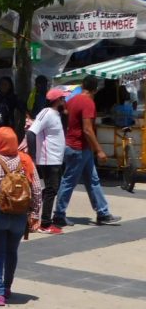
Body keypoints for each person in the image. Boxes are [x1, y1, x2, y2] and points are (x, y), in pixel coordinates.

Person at [0, 128, 43, 307]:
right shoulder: (25, 160)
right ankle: (7, 287)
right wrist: (35, 214)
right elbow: (36, 189)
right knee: (12, 252)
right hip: (19, 215)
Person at [50, 76, 121, 228]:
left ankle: (102, 213)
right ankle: (59, 215)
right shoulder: (88, 102)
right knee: (69, 181)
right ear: (95, 89)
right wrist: (99, 150)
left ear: (82, 85)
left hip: (76, 146)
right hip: (79, 148)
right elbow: (87, 129)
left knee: (92, 181)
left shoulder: (72, 100)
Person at [27, 88, 67, 235]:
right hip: (48, 159)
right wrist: (32, 156)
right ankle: (45, 223)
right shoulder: (46, 113)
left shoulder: (56, 114)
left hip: (56, 158)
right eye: (63, 99)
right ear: (57, 100)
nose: (65, 101)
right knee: (51, 189)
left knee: (51, 189)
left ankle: (33, 211)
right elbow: (31, 132)